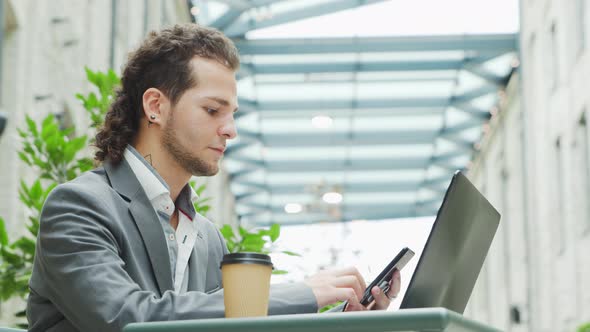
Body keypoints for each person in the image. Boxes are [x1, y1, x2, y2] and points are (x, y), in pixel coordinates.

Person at [26, 23, 401, 332]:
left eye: (232, 113)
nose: (230, 130)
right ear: (155, 106)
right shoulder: (78, 207)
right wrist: (302, 293)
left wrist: (342, 322)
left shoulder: (207, 238)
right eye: (212, 110)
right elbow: (128, 319)